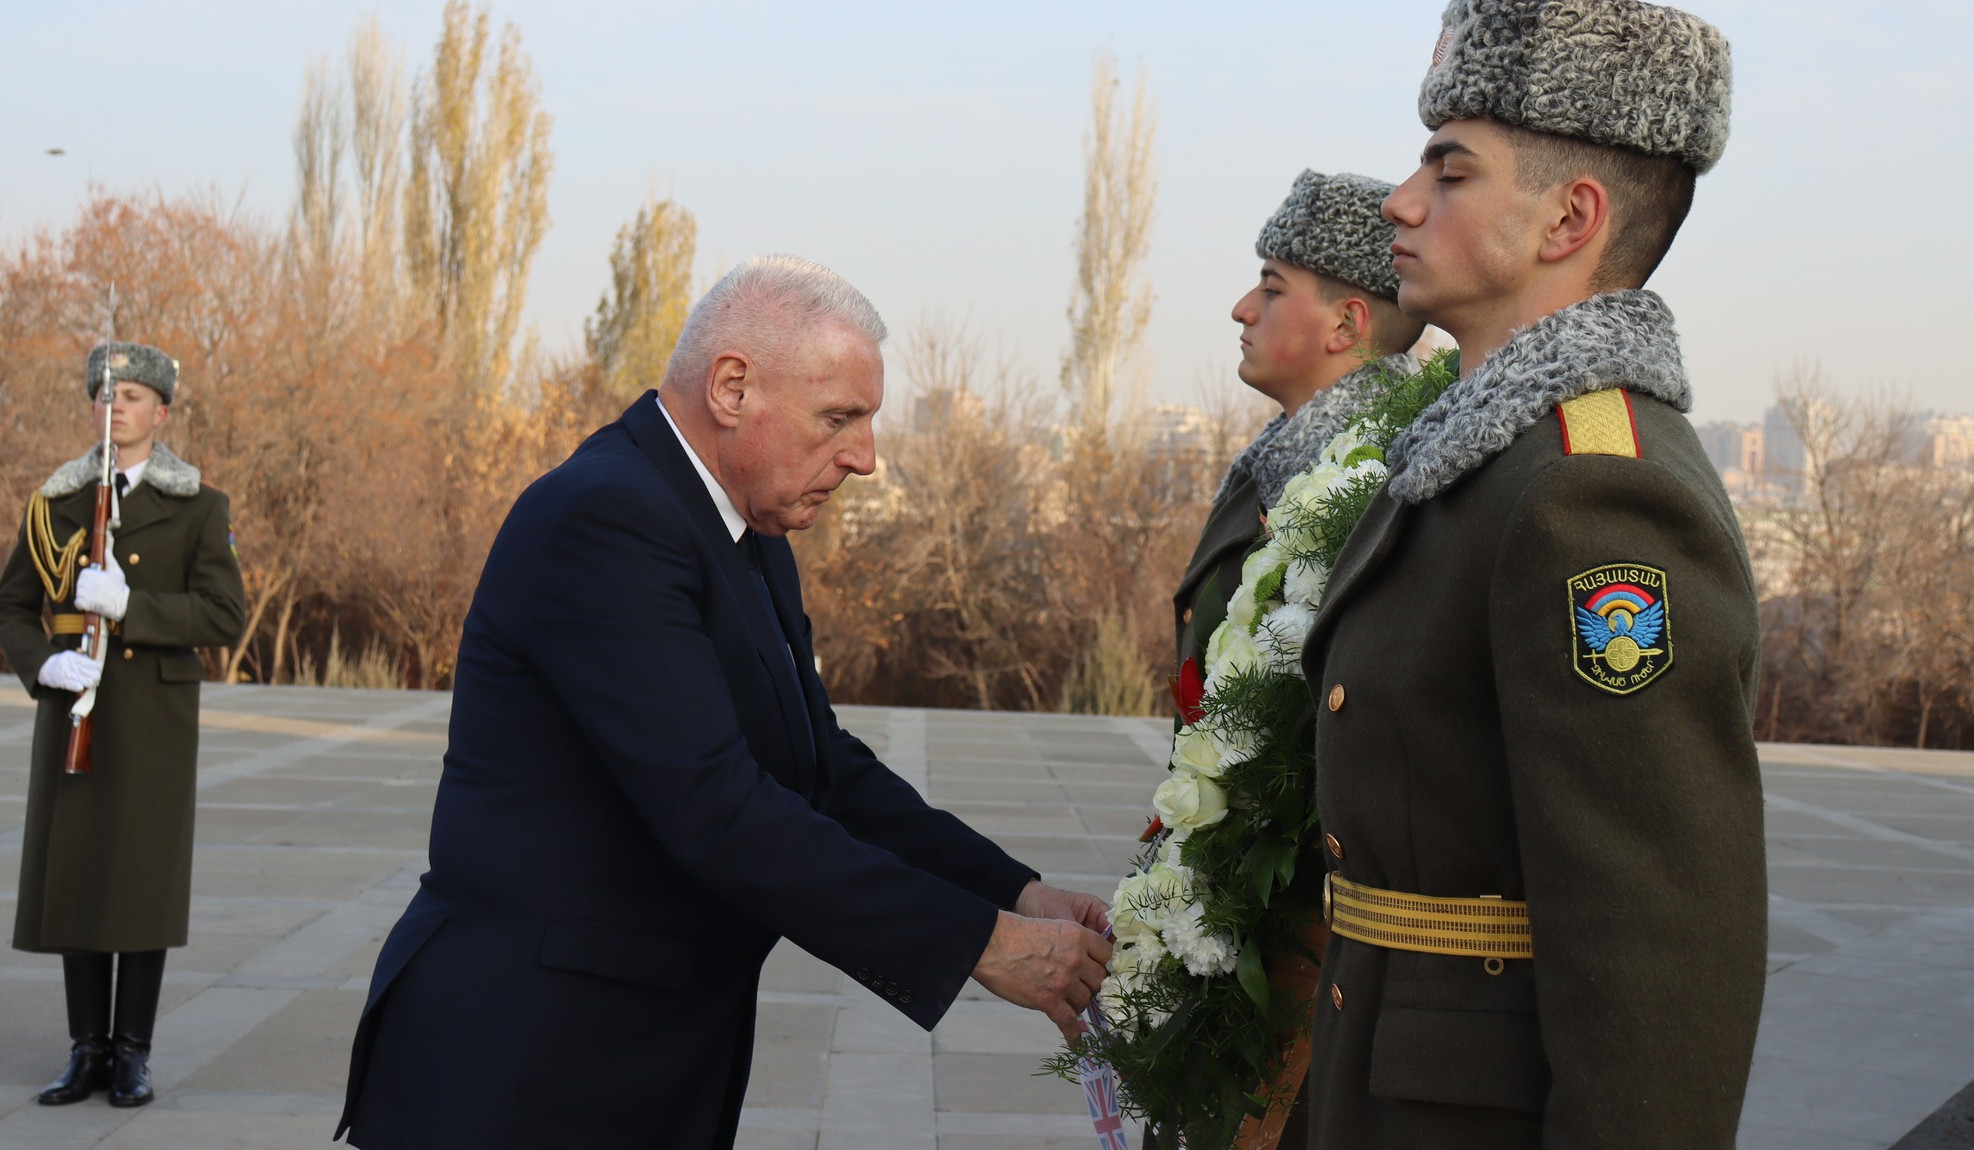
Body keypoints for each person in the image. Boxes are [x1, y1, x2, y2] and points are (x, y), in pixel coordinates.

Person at [338, 255, 1114, 1150]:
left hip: (644, 1057)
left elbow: (821, 771)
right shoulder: (605, 517)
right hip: (527, 1065)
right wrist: (981, 943)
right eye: (839, 419)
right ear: (732, 388)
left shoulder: (744, 529)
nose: (865, 458)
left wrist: (1014, 893)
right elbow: (715, 807)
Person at [1297, 0, 1763, 1146]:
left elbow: (1655, 950)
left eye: (1449, 172)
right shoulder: (1484, 459)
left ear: (1570, 218)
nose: (1401, 201)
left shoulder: (1592, 493)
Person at [0, 342, 248, 1108]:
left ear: (161, 412)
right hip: (74, 709)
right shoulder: (55, 503)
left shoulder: (198, 505)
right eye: (107, 395)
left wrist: (132, 607)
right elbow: (12, 606)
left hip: (152, 719)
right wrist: (43, 664)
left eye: (134, 396)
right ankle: (88, 1049)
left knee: (141, 877)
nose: (118, 408)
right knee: (77, 872)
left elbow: (224, 615)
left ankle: (132, 1051)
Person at [1175, 169, 1424, 674]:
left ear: (1346, 324)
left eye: (1272, 289)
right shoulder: (1284, 460)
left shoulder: (1381, 478)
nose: (1242, 310)